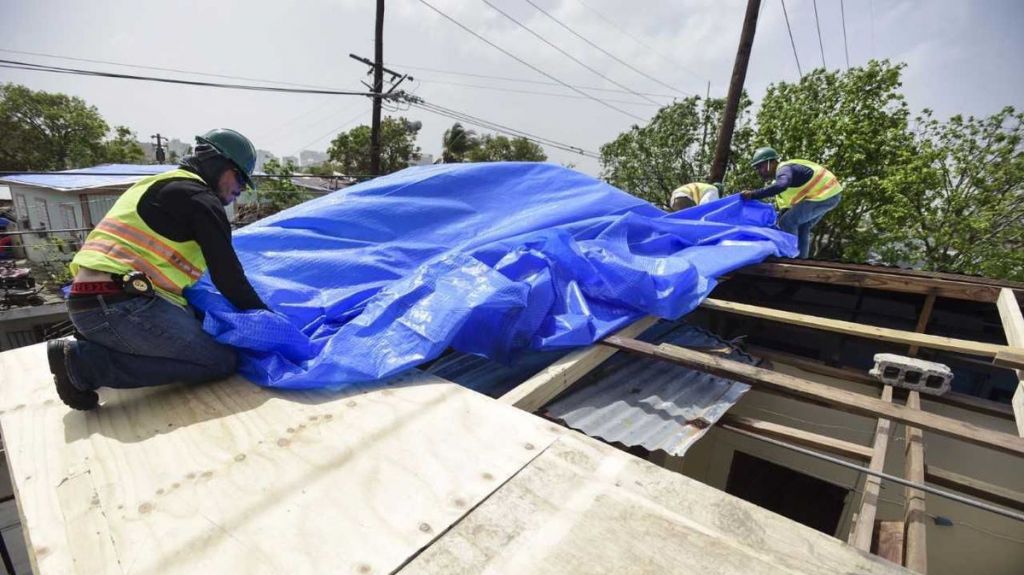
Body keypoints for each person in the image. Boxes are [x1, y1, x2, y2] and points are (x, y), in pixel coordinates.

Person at [47, 129, 267, 410]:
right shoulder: (201, 199)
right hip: (119, 305)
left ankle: (104, 345)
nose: (242, 189)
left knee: (200, 328)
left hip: (90, 303)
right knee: (221, 360)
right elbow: (230, 279)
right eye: (240, 178)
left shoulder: (159, 183)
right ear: (218, 164)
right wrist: (266, 319)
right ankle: (84, 366)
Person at [740, 147, 843, 258]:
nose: (760, 171)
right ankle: (800, 260)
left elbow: (781, 185)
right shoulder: (783, 180)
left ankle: (790, 257)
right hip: (828, 195)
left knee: (787, 222)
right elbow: (788, 206)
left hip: (825, 193)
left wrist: (753, 194)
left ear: (772, 162)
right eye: (757, 168)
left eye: (761, 166)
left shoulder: (784, 169)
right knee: (802, 226)